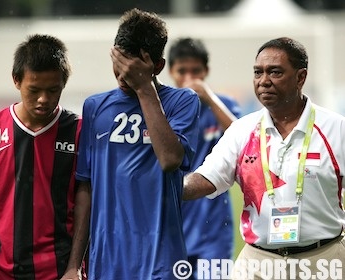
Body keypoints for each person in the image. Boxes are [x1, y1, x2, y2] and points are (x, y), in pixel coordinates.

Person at [183, 37, 345, 279]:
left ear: (300, 77)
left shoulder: (336, 129)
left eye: (275, 72)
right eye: (258, 72)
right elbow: (205, 179)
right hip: (257, 263)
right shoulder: (241, 130)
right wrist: (164, 187)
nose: (263, 81)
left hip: (323, 260)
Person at [75, 8, 200, 279]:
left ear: (157, 66)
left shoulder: (182, 101)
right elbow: (85, 187)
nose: (123, 75)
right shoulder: (94, 107)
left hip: (161, 257)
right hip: (107, 259)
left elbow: (169, 159)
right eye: (119, 63)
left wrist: (144, 88)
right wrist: (74, 264)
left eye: (133, 67)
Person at [0, 34, 90, 280]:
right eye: (34, 90)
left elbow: (86, 203)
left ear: (64, 83)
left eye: (53, 90)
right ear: (16, 80)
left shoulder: (79, 132)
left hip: (60, 272)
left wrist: (75, 266)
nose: (43, 99)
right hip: (0, 272)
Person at [168, 37, 241, 273]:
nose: (189, 78)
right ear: (170, 72)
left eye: (196, 71)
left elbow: (245, 140)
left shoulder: (222, 105)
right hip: (172, 226)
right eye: (182, 71)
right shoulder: (162, 111)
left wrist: (209, 97)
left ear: (206, 71)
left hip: (213, 228)